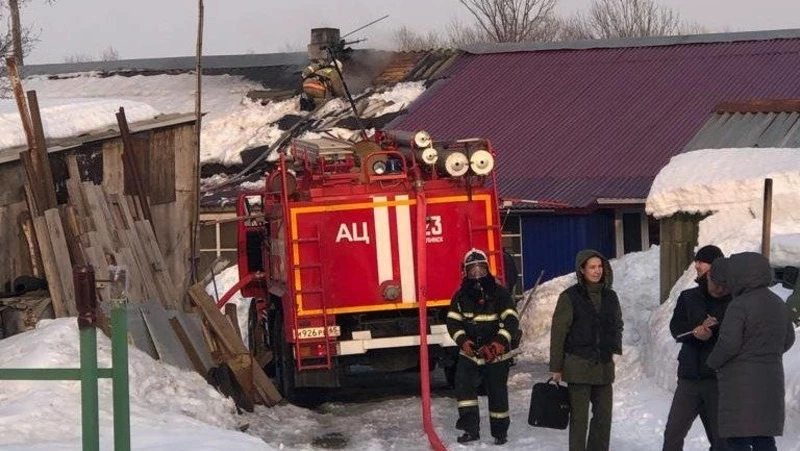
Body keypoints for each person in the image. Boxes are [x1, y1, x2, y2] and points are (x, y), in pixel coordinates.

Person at [706, 252, 796, 451]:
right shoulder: (778, 303)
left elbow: (729, 344)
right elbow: (789, 338)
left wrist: (712, 362)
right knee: (763, 439)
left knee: (738, 440)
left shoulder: (739, 305)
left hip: (741, 384)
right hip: (771, 381)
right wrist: (768, 354)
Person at [550, 249, 623, 451]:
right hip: (578, 366)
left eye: (600, 266)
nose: (597, 271)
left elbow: (617, 323)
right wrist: (556, 367)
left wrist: (613, 346)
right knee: (579, 420)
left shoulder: (611, 296)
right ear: (582, 270)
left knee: (603, 418)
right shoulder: (569, 297)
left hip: (604, 367)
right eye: (592, 267)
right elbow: (558, 333)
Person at [446, 248, 519, 445]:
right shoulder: (460, 297)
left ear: (488, 270)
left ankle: (500, 433)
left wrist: (498, 344)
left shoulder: (500, 293)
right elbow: (452, 322)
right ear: (465, 272)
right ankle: (470, 430)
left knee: (497, 393)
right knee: (464, 392)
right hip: (470, 354)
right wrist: (463, 341)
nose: (477, 275)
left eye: (481, 270)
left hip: (495, 355)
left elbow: (512, 320)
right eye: (472, 271)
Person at [662, 245, 731, 451]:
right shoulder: (688, 297)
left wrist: (712, 333)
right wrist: (696, 332)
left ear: (715, 265)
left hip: (718, 381)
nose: (696, 265)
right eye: (696, 261)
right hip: (689, 379)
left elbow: (736, 337)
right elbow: (676, 329)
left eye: (701, 261)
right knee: (672, 435)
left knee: (722, 442)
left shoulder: (733, 299)